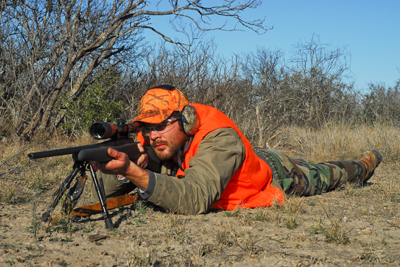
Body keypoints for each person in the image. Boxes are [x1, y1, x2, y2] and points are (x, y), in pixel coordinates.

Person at [96, 85, 383, 215]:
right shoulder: (159, 143)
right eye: (147, 128)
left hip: (276, 173)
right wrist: (123, 171)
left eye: (161, 125)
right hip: (236, 161)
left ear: (185, 118)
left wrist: (136, 172)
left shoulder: (219, 137)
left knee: (326, 174)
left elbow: (194, 199)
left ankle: (363, 164)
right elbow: (108, 195)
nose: (154, 134)